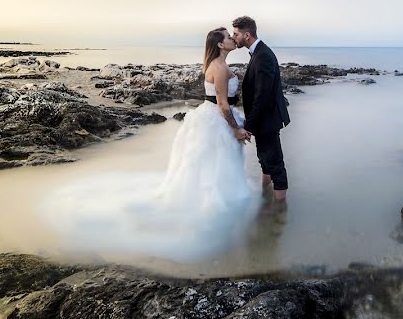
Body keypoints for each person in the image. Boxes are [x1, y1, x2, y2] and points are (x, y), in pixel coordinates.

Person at [36, 27, 257, 264]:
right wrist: (236, 129)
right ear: (220, 45)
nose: (233, 39)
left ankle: (216, 204)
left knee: (208, 164)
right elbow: (223, 104)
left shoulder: (215, 64)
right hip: (217, 120)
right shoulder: (220, 68)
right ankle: (216, 212)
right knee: (215, 164)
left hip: (208, 117)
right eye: (228, 37)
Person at [232, 16, 291, 203]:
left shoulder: (263, 56)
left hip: (267, 120)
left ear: (246, 35)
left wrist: (249, 126)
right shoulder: (258, 52)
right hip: (262, 120)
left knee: (275, 165)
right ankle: (264, 195)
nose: (234, 37)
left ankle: (279, 211)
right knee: (264, 160)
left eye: (236, 34)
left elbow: (262, 96)